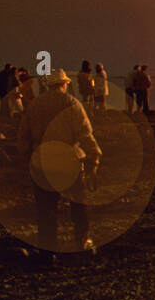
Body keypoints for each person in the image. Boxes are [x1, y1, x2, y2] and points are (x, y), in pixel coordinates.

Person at [15, 68, 101, 252]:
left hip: (42, 161)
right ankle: (82, 241)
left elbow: (23, 136)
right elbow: (85, 133)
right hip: (68, 160)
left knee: (46, 208)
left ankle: (48, 248)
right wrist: (95, 155)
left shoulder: (35, 105)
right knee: (78, 204)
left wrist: (26, 159)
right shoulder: (71, 103)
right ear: (64, 84)